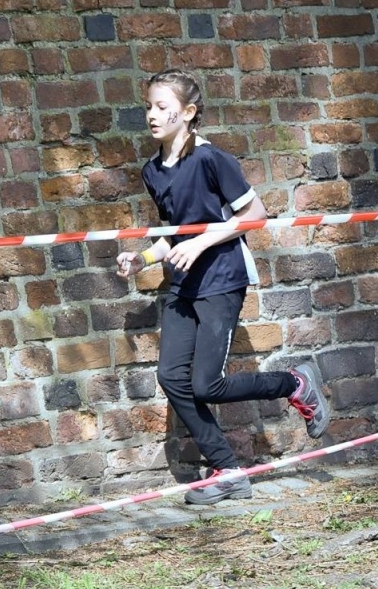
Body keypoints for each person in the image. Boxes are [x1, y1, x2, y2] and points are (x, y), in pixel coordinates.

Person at [117, 70, 331, 505]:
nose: (152, 115)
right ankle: (227, 470)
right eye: (149, 106)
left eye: (162, 106)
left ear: (189, 112)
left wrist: (201, 242)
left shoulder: (212, 159)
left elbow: (255, 214)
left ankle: (293, 384)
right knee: (171, 377)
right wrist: (142, 259)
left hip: (221, 280)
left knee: (206, 385)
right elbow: (175, 234)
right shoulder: (153, 171)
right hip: (183, 285)